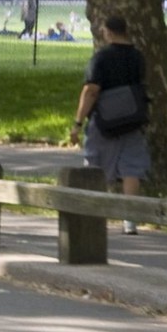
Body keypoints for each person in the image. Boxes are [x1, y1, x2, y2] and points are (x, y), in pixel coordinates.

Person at [71, 14, 150, 228]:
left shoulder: (101, 58)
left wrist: (77, 123)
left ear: (109, 32)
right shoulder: (137, 57)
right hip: (133, 118)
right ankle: (130, 220)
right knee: (131, 168)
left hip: (105, 120)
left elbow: (91, 91)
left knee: (94, 164)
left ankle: (93, 214)